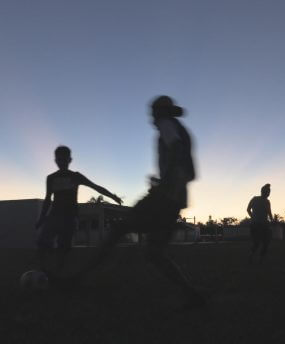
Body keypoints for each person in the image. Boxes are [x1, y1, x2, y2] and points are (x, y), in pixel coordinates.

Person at [76, 96, 205, 309]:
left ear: (159, 112)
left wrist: (164, 182)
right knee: (154, 253)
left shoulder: (167, 124)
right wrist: (169, 180)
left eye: (153, 112)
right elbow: (190, 172)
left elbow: (176, 149)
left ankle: (80, 277)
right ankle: (191, 294)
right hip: (176, 198)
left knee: (119, 228)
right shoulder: (181, 128)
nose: (151, 118)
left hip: (164, 196)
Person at [36, 145, 122, 273]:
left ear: (69, 160)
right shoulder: (51, 178)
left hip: (69, 216)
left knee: (63, 247)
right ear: (55, 161)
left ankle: (57, 272)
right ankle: (42, 271)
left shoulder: (75, 176)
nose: (61, 162)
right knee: (42, 243)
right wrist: (42, 218)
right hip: (54, 215)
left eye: (64, 159)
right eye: (59, 160)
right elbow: (48, 198)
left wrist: (113, 196)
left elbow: (96, 187)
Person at [247, 183, 273, 264]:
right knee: (257, 243)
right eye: (267, 191)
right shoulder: (255, 199)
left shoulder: (267, 201)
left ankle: (261, 259)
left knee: (266, 243)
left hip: (265, 224)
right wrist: (253, 217)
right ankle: (251, 256)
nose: (268, 193)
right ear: (262, 191)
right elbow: (248, 209)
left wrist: (272, 220)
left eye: (269, 191)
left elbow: (269, 212)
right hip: (255, 224)